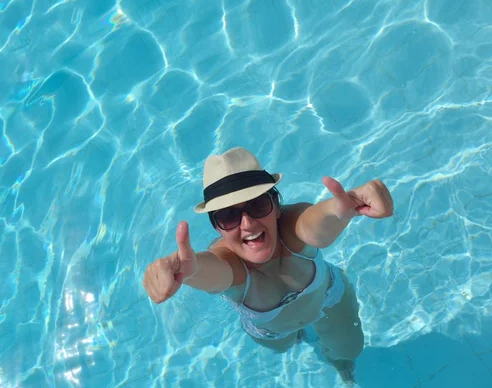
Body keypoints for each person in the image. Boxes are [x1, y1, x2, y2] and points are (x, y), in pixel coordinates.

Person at [143, 147, 394, 384]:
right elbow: (215, 271)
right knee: (284, 346)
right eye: (228, 216)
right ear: (217, 226)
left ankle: (338, 362)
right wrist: (191, 272)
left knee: (349, 350)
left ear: (275, 206)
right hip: (272, 332)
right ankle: (302, 339)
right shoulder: (231, 263)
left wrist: (343, 209)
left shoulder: (292, 228)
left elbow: (316, 226)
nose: (248, 224)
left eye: (258, 205)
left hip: (328, 299)